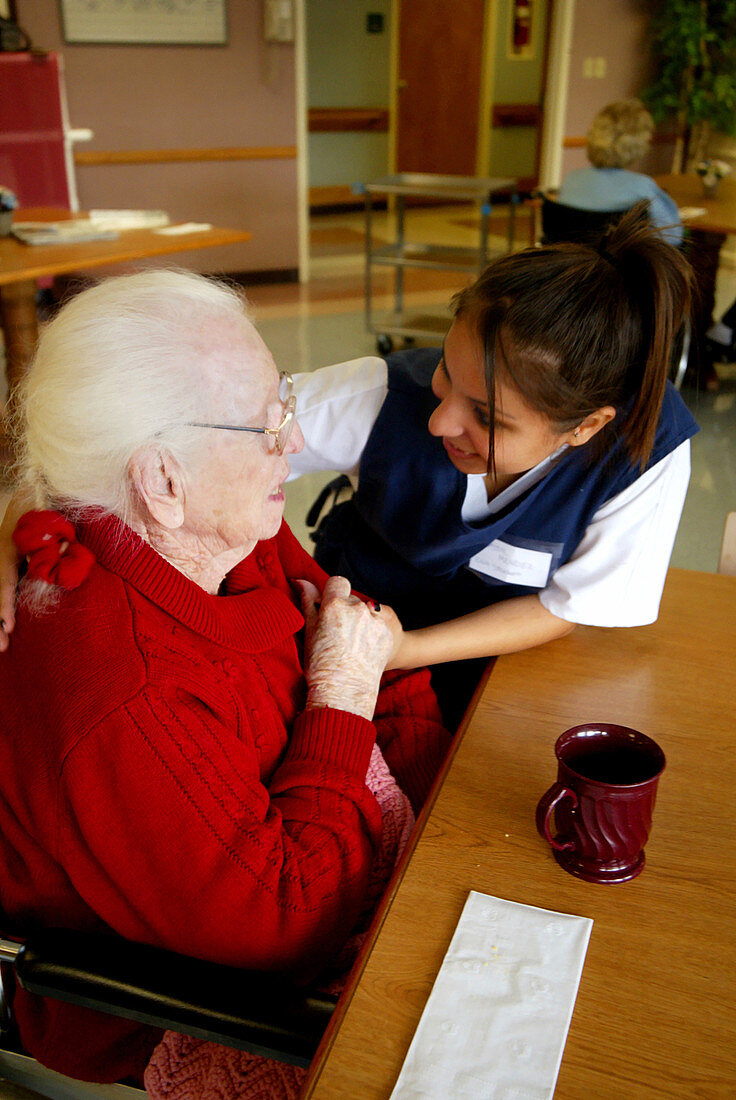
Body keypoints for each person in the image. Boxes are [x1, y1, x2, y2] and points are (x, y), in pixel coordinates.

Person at [0, 270, 449, 1091]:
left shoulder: (234, 530)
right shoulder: (122, 691)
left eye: (284, 405)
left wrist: (439, 831)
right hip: (178, 1005)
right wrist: (340, 700)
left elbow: (366, 642)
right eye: (265, 425)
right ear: (163, 481)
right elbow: (285, 926)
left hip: (331, 877)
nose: (295, 439)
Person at [286, 207, 698, 725]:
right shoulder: (378, 396)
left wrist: (409, 648)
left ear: (586, 428)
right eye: (444, 369)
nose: (439, 423)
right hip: (353, 629)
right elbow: (224, 444)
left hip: (503, 668)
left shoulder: (644, 451)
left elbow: (565, 605)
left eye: (485, 415)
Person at [557, 98, 683, 247]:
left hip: (574, 265)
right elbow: (673, 237)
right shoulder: (642, 187)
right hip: (620, 267)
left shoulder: (571, 180)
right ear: (638, 143)